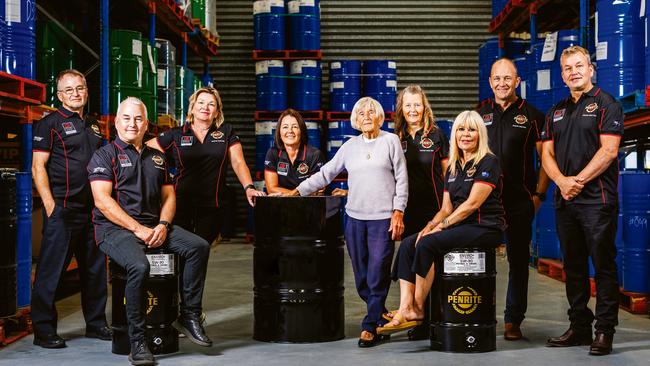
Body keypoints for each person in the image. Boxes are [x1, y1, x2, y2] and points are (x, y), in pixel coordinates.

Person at [88, 97, 211, 365]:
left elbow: (169, 197)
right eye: (127, 118)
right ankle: (138, 340)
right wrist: (140, 230)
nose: (132, 123)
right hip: (114, 230)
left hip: (154, 226)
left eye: (138, 119)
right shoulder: (104, 155)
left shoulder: (158, 157)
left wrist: (163, 225)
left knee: (198, 247)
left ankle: (188, 315)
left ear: (146, 125)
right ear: (117, 122)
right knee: (139, 266)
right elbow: (102, 202)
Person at [288, 97, 408, 347]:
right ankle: (378, 309)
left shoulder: (390, 141)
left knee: (378, 271)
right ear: (355, 118)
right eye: (361, 112)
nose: (366, 116)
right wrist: (299, 190)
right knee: (361, 275)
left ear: (378, 116)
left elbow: (402, 179)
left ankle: (370, 326)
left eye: (371, 112)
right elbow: (326, 173)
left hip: (382, 219)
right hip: (354, 218)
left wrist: (398, 211)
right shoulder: (350, 146)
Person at [377, 110, 505, 335]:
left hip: (484, 226)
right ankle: (406, 307)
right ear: (455, 135)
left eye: (472, 130)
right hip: (461, 225)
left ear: (480, 134)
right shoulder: (454, 166)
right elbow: (446, 207)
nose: (466, 135)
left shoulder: (488, 162)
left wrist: (441, 227)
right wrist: (429, 226)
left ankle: (417, 308)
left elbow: (471, 205)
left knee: (428, 244)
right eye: (461, 130)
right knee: (410, 242)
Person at [542, 46, 623, 356]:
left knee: (602, 265)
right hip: (565, 200)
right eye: (568, 68)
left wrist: (577, 181)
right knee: (573, 266)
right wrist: (563, 182)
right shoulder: (556, 111)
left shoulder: (607, 105)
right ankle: (579, 327)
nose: (573, 71)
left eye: (579, 66)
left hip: (596, 201)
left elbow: (609, 151)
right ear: (562, 75)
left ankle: (604, 330)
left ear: (591, 69)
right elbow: (546, 154)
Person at [31, 69, 110, 348]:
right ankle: (43, 331)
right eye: (69, 90)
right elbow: (38, 166)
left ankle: (96, 324)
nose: (76, 93)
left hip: (93, 212)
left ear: (86, 91)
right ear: (60, 94)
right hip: (63, 210)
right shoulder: (49, 124)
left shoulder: (94, 124)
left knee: (95, 271)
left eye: (80, 88)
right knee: (51, 273)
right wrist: (51, 206)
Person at [476, 58, 549, 340]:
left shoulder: (532, 115)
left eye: (508, 78)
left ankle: (512, 320)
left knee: (519, 262)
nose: (502, 83)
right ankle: (480, 314)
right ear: (490, 81)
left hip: (519, 202)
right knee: (481, 261)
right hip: (485, 203)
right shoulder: (479, 114)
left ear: (517, 81)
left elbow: (546, 160)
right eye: (497, 78)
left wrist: (538, 196)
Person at [147, 87, 265, 244]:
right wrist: (164, 175)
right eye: (201, 102)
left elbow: (238, 161)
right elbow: (146, 150)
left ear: (217, 112)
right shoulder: (176, 134)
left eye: (211, 104)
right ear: (192, 108)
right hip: (180, 203)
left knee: (201, 248)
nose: (205, 107)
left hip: (212, 205)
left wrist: (249, 187)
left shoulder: (226, 132)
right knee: (182, 250)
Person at [389, 85, 449, 340]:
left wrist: (449, 208)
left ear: (425, 107)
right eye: (408, 105)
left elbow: (449, 172)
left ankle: (425, 318)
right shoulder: (395, 138)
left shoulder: (436, 135)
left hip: (433, 209)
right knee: (411, 261)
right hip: (406, 209)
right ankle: (416, 316)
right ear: (401, 108)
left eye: (417, 104)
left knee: (429, 259)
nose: (413, 110)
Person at [264, 108, 325, 193]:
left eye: (295, 127)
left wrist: (292, 194)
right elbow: (271, 189)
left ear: (301, 131)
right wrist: (298, 194)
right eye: (285, 127)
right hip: (280, 204)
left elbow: (317, 190)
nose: (290, 131)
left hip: (309, 205)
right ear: (279, 133)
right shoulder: (273, 153)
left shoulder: (314, 155)